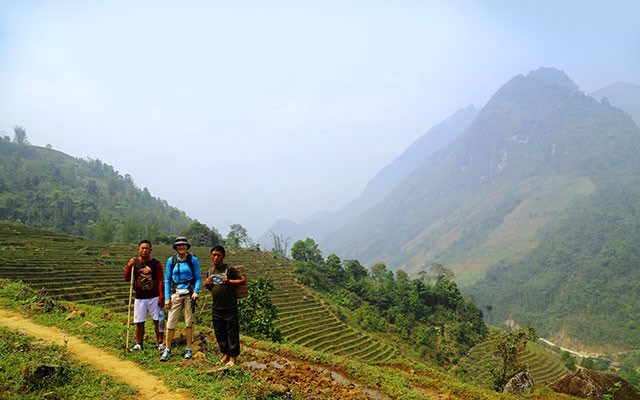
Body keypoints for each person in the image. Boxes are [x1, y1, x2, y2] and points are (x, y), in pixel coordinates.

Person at [160, 236, 202, 361]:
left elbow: (198, 277)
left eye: (183, 245)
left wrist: (196, 291)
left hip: (189, 294)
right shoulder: (171, 261)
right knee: (170, 322)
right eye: (179, 245)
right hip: (176, 293)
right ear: (176, 248)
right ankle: (167, 349)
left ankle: (188, 348)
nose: (181, 247)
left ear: (187, 247)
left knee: (188, 322)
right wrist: (167, 298)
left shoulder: (192, 260)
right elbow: (167, 279)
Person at [203, 245, 246, 366]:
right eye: (214, 255)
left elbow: (242, 280)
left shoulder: (229, 269)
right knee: (219, 332)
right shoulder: (210, 271)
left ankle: (233, 357)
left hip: (229, 307)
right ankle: (225, 354)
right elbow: (209, 287)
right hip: (216, 307)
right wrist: (206, 284)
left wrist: (229, 281)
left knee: (232, 332)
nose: (216, 257)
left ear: (223, 256)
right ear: (211, 256)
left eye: (218, 255)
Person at [123, 240, 165, 351]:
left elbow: (161, 280)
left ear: (151, 250)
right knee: (139, 321)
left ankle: (160, 342)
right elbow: (127, 278)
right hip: (140, 298)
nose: (144, 250)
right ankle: (139, 343)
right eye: (142, 248)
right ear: (138, 250)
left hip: (154, 297)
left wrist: (161, 297)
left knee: (158, 321)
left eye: (147, 248)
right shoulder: (135, 263)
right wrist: (128, 266)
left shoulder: (156, 264)